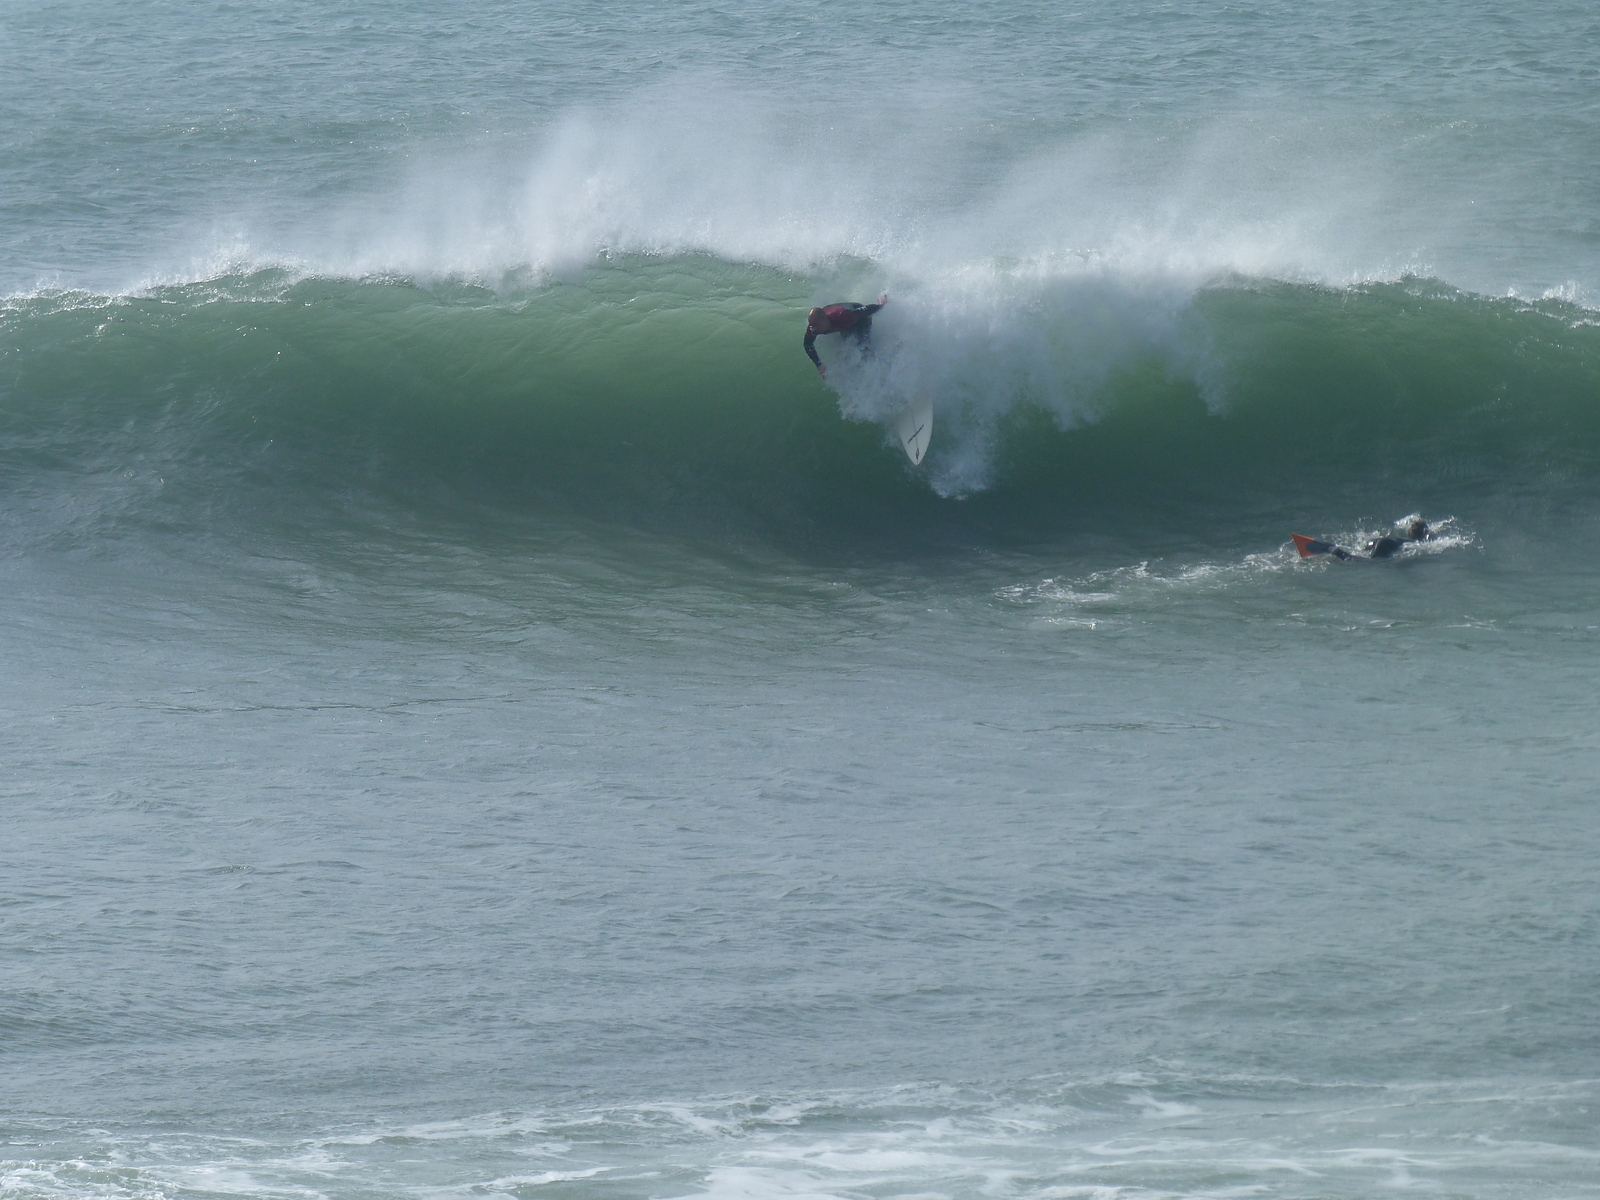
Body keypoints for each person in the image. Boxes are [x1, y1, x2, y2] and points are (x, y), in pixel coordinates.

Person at [804, 294, 888, 378]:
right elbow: (807, 344)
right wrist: (819, 365)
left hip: (860, 318)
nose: (813, 329)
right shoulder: (813, 328)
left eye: (816, 325)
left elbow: (865, 310)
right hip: (842, 321)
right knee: (848, 349)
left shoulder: (843, 316)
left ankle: (880, 369)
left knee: (863, 348)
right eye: (811, 325)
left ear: (824, 320)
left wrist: (880, 305)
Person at [1292, 519, 1431, 561]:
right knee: (1364, 562)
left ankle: (1327, 550)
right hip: (1384, 544)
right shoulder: (1415, 543)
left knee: (1359, 555)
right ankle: (1332, 549)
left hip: (1378, 541)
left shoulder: (1402, 539)